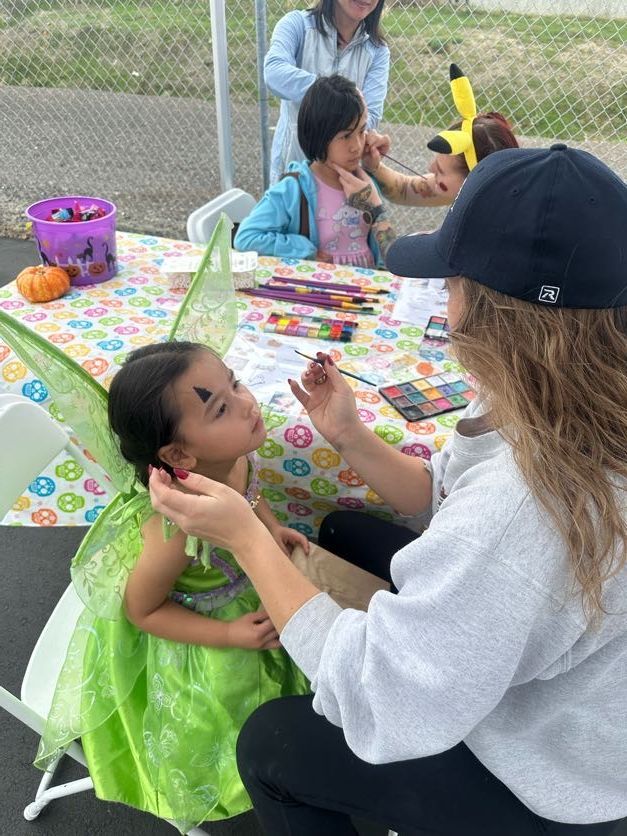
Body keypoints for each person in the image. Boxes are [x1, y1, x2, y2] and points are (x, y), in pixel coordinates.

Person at [148, 144, 627, 835]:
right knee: (342, 531)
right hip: (571, 695)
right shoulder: (554, 397)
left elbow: (379, 700)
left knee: (272, 742)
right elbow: (444, 494)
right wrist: (348, 434)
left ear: (495, 317)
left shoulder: (523, 511)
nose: (442, 299)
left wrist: (248, 541)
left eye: (450, 282)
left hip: (558, 784)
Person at [35, 341, 310, 833]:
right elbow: (143, 611)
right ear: (180, 454)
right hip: (199, 632)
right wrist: (230, 637)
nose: (247, 403)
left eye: (235, 382)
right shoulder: (174, 530)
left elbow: (251, 495)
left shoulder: (233, 457)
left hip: (248, 594)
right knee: (231, 726)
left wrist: (270, 529)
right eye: (221, 407)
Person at [234, 74, 393, 267]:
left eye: (361, 131)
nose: (356, 146)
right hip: (319, 291)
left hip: (367, 290)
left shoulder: (365, 183)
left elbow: (383, 250)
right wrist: (304, 250)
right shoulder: (294, 189)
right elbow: (246, 237)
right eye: (346, 136)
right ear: (319, 134)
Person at [334, 63, 519, 229]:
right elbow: (404, 189)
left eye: (441, 170)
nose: (429, 168)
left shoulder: (498, 231)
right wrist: (373, 166)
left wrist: (375, 212)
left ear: (474, 183)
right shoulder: (477, 190)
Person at [264, 0, 389, 184]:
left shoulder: (378, 51)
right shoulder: (297, 25)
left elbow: (371, 115)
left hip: (342, 181)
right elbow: (274, 73)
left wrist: (369, 139)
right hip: (292, 176)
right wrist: (337, 94)